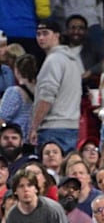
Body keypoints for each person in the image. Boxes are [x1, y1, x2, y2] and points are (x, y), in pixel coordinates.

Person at [28, 20, 82, 153]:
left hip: (53, 128)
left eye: (45, 33)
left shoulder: (53, 60)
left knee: (49, 172)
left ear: (57, 35)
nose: (41, 38)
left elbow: (47, 97)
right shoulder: (73, 60)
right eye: (38, 34)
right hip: (72, 126)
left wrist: (34, 127)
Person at [0, 53, 37, 138]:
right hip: (31, 139)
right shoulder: (39, 91)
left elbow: (1, 119)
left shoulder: (14, 92)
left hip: (14, 141)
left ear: (16, 70)